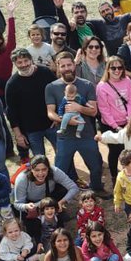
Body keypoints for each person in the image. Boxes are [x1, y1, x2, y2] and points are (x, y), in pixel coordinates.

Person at [46, 52, 105, 192]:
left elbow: (93, 111)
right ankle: (59, 197)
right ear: (58, 68)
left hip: (86, 134)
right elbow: (50, 112)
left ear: (74, 65)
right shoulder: (51, 87)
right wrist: (65, 120)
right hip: (65, 137)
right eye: (63, 66)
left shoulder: (87, 85)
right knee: (60, 169)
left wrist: (79, 108)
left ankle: (97, 189)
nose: (67, 68)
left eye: (69, 65)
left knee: (96, 166)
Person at [13, 154, 78, 240]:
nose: (41, 173)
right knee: (33, 231)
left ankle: (57, 213)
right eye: (37, 170)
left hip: (50, 199)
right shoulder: (22, 179)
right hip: (31, 205)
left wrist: (62, 201)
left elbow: (74, 187)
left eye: (44, 169)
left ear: (48, 168)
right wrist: (26, 206)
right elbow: (17, 204)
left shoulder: (54, 172)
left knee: (62, 189)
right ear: (31, 169)